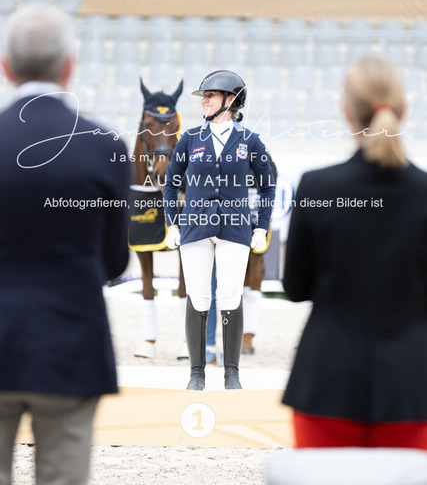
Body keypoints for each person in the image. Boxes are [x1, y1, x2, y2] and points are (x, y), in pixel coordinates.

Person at [0, 5, 130, 485]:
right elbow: (114, 261)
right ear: (69, 66)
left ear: (6, 67)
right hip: (70, 343)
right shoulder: (104, 146)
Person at [282, 56, 427, 449]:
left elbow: (295, 287)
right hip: (412, 386)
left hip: (327, 382)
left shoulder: (317, 187)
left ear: (346, 113)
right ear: (403, 110)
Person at [163, 70, 275, 390]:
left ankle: (232, 373)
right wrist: (172, 222)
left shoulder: (250, 140)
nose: (204, 101)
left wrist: (261, 227)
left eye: (210, 96)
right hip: (195, 225)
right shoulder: (189, 139)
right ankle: (196, 373)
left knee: (230, 295)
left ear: (231, 100)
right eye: (204, 97)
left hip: (235, 227)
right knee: (198, 296)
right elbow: (170, 185)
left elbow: (267, 187)